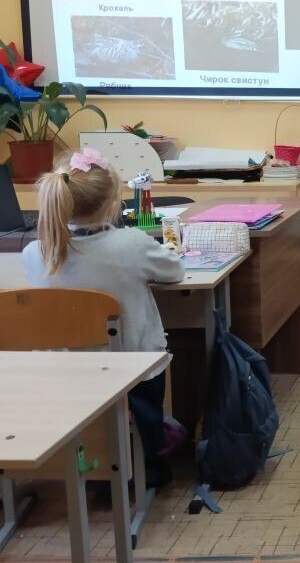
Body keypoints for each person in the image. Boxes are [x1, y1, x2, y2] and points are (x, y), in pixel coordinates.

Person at [21, 149, 185, 485]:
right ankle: (149, 459)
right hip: (134, 369)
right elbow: (175, 271)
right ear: (113, 204)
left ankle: (90, 463)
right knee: (144, 373)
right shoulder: (132, 244)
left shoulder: (35, 253)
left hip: (68, 373)